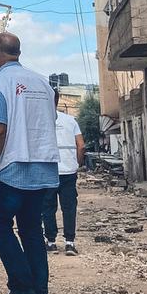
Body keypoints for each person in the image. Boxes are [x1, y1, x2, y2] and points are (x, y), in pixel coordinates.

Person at [0, 32, 60, 294]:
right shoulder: (43, 83)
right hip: (43, 168)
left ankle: (23, 291)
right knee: (31, 231)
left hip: (11, 169)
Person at [43, 89, 84, 256]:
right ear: (58, 100)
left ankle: (51, 242)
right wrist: (77, 163)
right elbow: (81, 145)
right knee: (69, 207)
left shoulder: (40, 120)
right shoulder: (70, 120)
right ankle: (69, 243)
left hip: (48, 170)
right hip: (68, 171)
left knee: (48, 208)